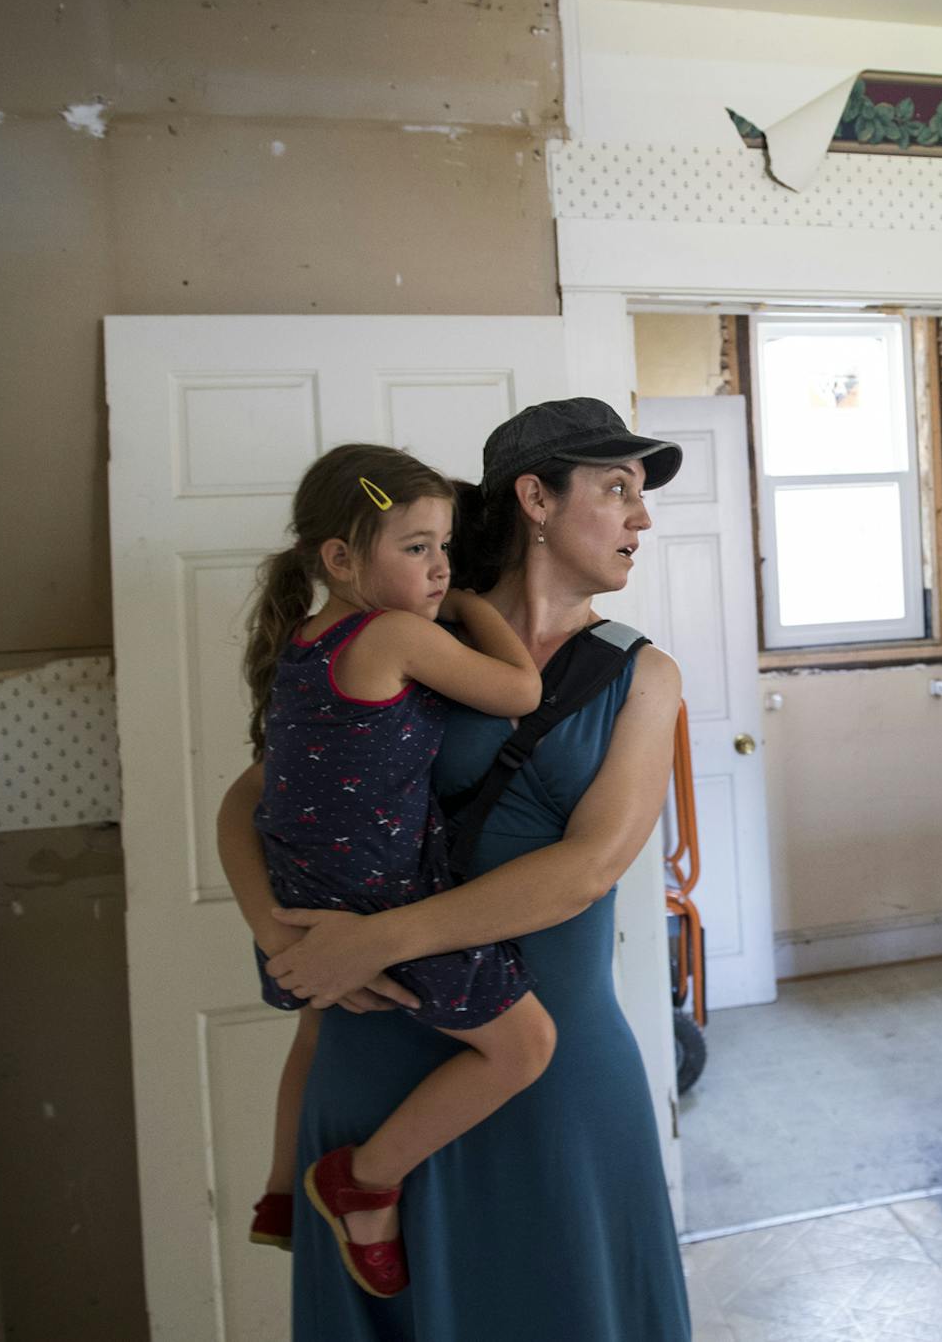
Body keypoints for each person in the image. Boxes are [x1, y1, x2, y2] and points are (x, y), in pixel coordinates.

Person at [217, 397, 692, 1339]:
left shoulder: (642, 675)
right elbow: (251, 800)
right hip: (374, 1050)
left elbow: (588, 868)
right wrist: (277, 932)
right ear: (536, 499)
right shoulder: (410, 636)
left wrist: (376, 940)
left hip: (553, 1062)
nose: (641, 517)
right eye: (616, 489)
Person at [231, 442, 557, 1299]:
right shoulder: (397, 634)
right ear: (340, 559)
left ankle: (279, 1190)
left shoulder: (303, 643)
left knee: (313, 1033)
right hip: (379, 899)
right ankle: (365, 1179)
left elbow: (252, 794)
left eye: (445, 547)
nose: (441, 566)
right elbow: (520, 691)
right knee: (526, 1045)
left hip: (300, 897)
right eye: (418, 548)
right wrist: (476, 605)